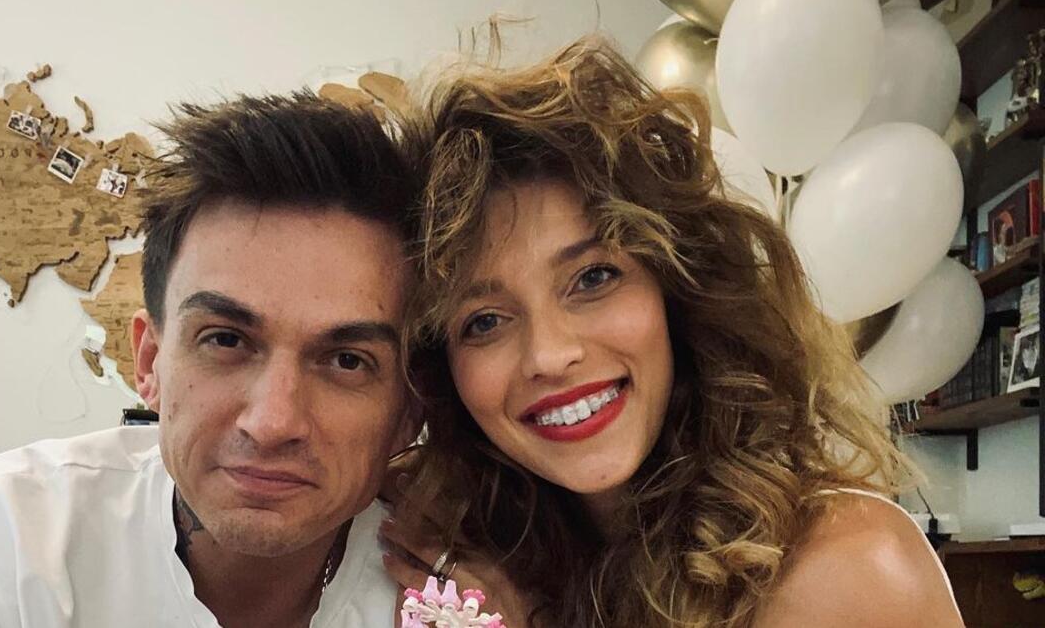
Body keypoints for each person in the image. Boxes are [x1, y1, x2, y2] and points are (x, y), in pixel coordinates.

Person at [381, 38, 965, 627]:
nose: (551, 355)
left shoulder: (850, 570)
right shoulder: (489, 559)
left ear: (677, 286)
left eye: (593, 277)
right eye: (484, 322)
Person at [0, 92, 422, 628]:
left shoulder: (449, 593)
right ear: (150, 361)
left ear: (410, 411)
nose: (272, 423)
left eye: (347, 361)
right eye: (226, 340)